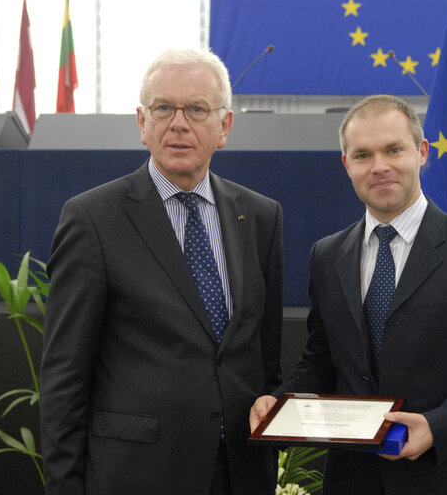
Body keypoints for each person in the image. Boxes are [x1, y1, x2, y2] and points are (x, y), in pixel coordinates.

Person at [250, 95, 447, 495]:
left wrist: (438, 426)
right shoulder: (327, 255)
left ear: (421, 153)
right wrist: (278, 404)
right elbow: (322, 361)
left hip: (446, 477)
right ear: (347, 164)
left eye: (393, 149)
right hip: (351, 480)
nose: (379, 167)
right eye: (363, 155)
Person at [40, 48, 283, 495]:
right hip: (137, 474)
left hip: (242, 473)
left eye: (197, 109)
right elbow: (64, 377)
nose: (179, 123)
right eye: (163, 108)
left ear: (224, 126)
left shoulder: (262, 217)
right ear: (142, 123)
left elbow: (265, 361)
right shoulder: (92, 219)